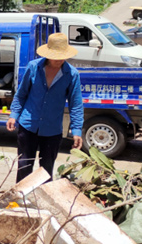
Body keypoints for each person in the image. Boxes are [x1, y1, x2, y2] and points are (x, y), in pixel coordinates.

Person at [6, 33, 84, 183]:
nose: (59, 60)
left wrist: (76, 131)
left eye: (62, 56)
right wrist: (13, 114)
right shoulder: (33, 67)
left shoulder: (72, 74)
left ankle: (43, 203)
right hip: (28, 125)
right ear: (48, 54)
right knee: (24, 165)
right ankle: (20, 200)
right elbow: (21, 94)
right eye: (55, 56)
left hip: (52, 129)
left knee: (46, 170)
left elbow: (76, 104)